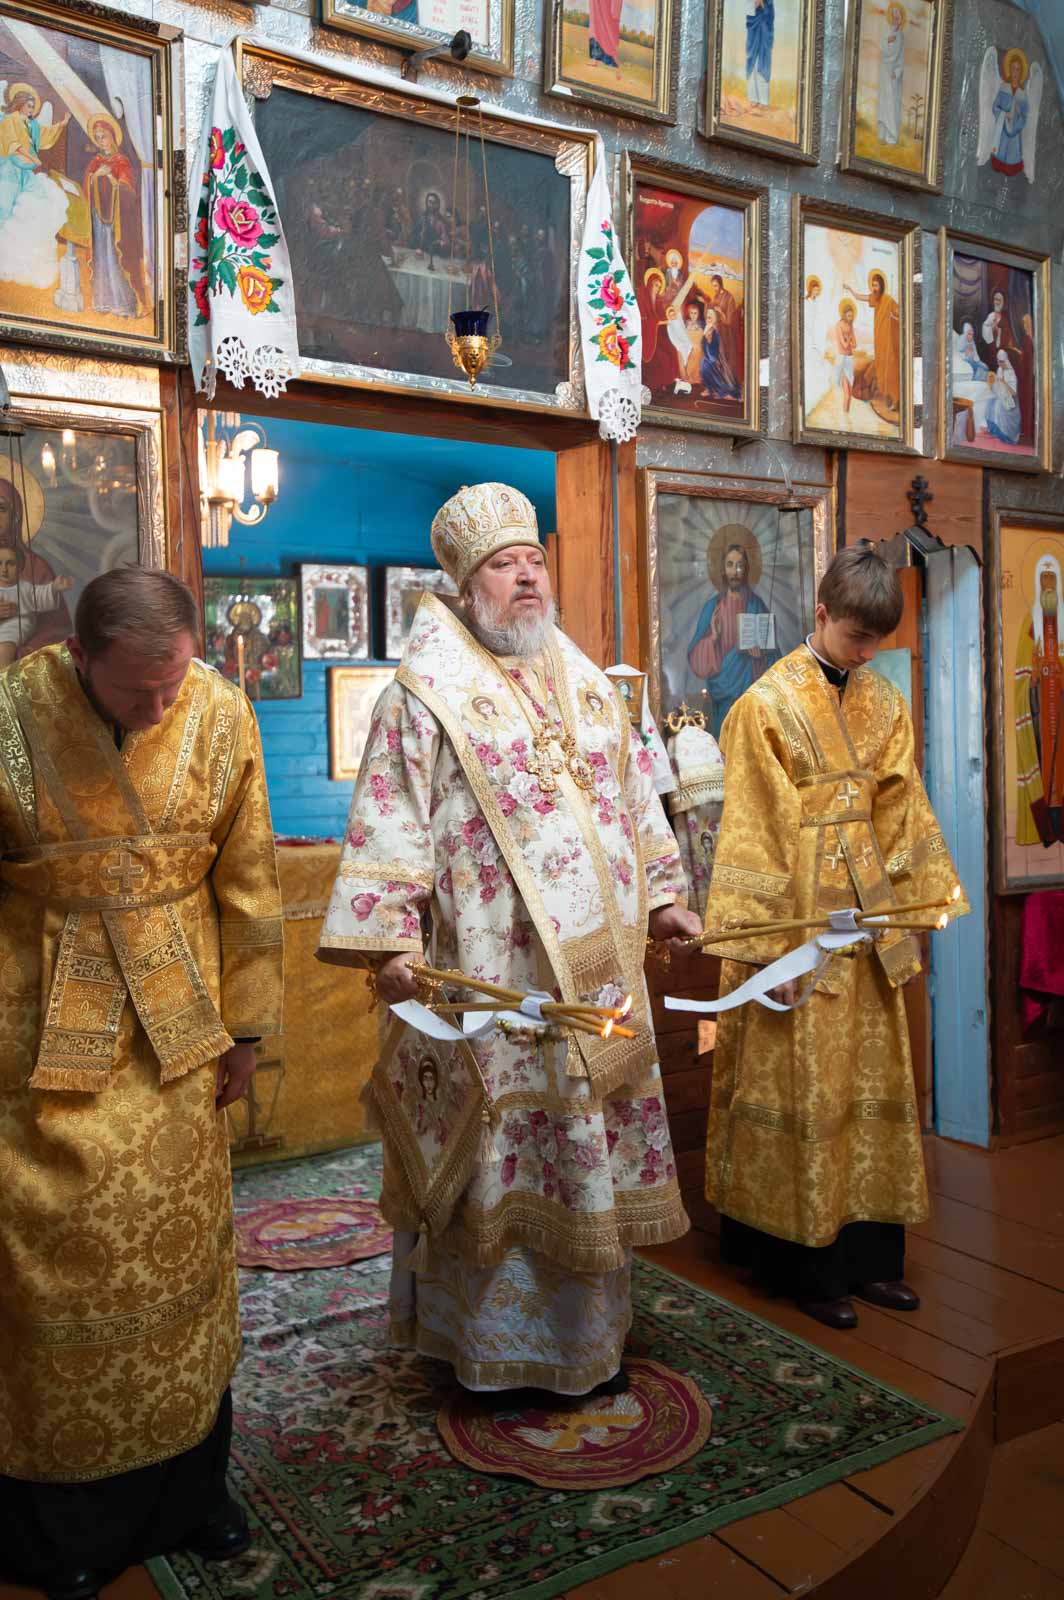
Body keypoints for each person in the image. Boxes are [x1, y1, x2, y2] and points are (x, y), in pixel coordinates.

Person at [318, 482, 698, 1398]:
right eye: (503, 564)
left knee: (582, 1142)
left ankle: (585, 1343)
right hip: (487, 966)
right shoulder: (423, 695)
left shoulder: (587, 682)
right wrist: (389, 941)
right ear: (465, 585)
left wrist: (663, 898)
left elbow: (636, 797)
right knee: (497, 1143)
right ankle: (486, 1350)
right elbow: (391, 815)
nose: (526, 576)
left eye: (533, 561)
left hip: (598, 975)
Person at [0, 567, 284, 1599]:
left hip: (178, 1039)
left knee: (183, 1268)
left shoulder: (220, 710)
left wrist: (246, 1031)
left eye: (174, 684)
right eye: (136, 692)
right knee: (51, 1272)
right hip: (35, 1039)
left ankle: (191, 1497)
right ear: (79, 658)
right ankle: (60, 1530)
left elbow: (247, 881)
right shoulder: (9, 715)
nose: (162, 709)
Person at [702, 544, 968, 1329]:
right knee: (802, 1084)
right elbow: (752, 831)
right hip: (795, 927)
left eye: (876, 641)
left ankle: (871, 1260)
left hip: (865, 924)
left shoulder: (884, 702)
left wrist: (912, 914)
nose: (866, 653)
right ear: (821, 614)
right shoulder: (765, 704)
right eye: (855, 636)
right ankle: (805, 1266)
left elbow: (901, 807)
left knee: (867, 1084)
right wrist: (770, 952)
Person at [687, 533, 776, 736]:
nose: (735, 572)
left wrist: (760, 657)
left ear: (746, 570)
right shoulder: (712, 608)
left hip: (750, 695)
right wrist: (713, 638)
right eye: (730, 565)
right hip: (722, 696)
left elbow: (773, 656)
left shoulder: (756, 606)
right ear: (722, 569)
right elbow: (696, 660)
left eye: (740, 566)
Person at [1015, 557, 1064, 848]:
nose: (1048, 586)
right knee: (1047, 767)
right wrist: (1033, 677)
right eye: (1044, 580)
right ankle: (1048, 828)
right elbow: (1021, 672)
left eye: (1052, 580)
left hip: (1062, 703)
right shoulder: (1030, 621)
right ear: (1037, 583)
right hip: (1041, 711)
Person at [84, 112, 143, 318]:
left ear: (113, 137)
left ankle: (123, 303)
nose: (101, 141)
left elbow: (127, 189)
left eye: (104, 136)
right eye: (97, 138)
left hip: (116, 221)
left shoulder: (121, 161)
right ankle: (103, 301)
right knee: (101, 256)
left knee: (115, 257)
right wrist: (94, 177)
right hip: (99, 218)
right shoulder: (96, 161)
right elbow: (87, 184)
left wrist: (109, 176)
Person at [0, 539, 74, 666]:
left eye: (10, 564)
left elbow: (41, 596)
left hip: (15, 624)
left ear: (20, 567)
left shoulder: (24, 588)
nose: (4, 569)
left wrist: (54, 587)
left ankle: (3, 674)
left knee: (4, 648)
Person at [844, 271, 900, 413]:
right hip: (879, 339)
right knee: (880, 366)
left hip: (887, 339)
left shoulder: (888, 300)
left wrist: (894, 317)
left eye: (876, 285)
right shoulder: (875, 298)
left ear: (881, 286)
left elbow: (899, 312)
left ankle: (895, 398)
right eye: (873, 285)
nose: (874, 288)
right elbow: (860, 297)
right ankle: (888, 396)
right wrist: (850, 290)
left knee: (889, 367)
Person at [876, 3, 906, 146]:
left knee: (892, 103)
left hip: (893, 74)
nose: (895, 16)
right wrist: (888, 40)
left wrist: (897, 72)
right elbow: (882, 48)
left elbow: (901, 58)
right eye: (894, 13)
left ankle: (891, 136)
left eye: (898, 13)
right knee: (884, 102)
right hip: (884, 72)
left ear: (901, 16)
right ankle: (882, 134)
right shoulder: (887, 32)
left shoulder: (901, 36)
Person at [699, 306, 742, 402]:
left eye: (711, 316)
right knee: (704, 363)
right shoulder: (709, 328)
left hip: (718, 361)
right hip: (712, 357)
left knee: (706, 364)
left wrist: (706, 339)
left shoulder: (717, 330)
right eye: (707, 315)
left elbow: (713, 354)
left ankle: (724, 392)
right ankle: (710, 388)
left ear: (716, 318)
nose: (708, 318)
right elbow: (706, 348)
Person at [985, 349, 1021, 444]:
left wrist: (1004, 383)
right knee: (990, 402)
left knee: (998, 406)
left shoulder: (1011, 373)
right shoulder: (999, 370)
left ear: (1005, 361)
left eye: (1001, 361)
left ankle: (1006, 435)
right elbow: (998, 385)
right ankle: (995, 431)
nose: (999, 364)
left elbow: (1013, 393)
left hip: (1010, 400)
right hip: (1001, 395)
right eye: (998, 361)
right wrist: (993, 383)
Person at [746, 0, 775, 109]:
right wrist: (755, 5)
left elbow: (770, 16)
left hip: (764, 37)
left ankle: (763, 101)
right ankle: (753, 99)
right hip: (753, 37)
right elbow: (748, 16)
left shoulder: (769, 2)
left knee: (762, 65)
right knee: (752, 65)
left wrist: (763, 4)